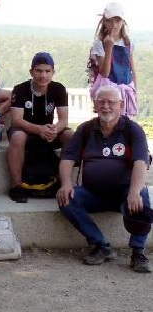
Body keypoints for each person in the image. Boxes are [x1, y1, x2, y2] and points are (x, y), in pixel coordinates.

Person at [57, 85, 151, 273]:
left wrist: (134, 191)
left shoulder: (132, 130)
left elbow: (141, 162)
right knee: (66, 199)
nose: (105, 106)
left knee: (141, 193)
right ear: (95, 104)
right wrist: (66, 183)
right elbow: (67, 159)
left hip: (124, 193)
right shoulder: (85, 129)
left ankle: (138, 251)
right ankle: (101, 245)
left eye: (111, 102)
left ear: (121, 105)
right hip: (93, 193)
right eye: (101, 101)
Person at [7, 52, 73, 203]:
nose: (43, 75)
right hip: (25, 130)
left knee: (70, 135)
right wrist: (39, 129)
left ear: (53, 72)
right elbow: (16, 120)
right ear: (31, 72)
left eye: (47, 71)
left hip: (48, 130)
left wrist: (55, 129)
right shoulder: (20, 89)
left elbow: (63, 119)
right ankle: (16, 185)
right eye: (39, 71)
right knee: (18, 137)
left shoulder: (58, 89)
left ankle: (64, 182)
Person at [89, 2, 137, 117]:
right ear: (104, 22)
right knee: (108, 122)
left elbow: (132, 69)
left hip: (126, 88)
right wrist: (109, 48)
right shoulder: (99, 42)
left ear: (122, 22)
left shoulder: (127, 42)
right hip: (108, 89)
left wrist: (135, 93)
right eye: (110, 21)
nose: (114, 25)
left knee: (125, 124)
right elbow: (104, 73)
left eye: (117, 21)